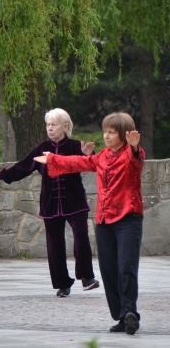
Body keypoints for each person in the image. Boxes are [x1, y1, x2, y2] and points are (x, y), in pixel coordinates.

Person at [35, 112, 145, 335]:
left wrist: (133, 148)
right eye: (105, 131)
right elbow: (79, 161)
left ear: (124, 134)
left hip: (128, 219)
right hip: (104, 221)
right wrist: (53, 159)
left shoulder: (132, 153)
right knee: (107, 270)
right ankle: (121, 317)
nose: (106, 136)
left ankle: (130, 311)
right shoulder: (102, 156)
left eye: (111, 132)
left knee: (126, 267)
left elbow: (136, 163)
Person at [0, 108, 99, 298]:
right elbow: (23, 167)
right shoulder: (41, 149)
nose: (50, 128)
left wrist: (88, 154)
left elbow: (92, 163)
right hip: (51, 202)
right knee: (54, 245)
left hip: (75, 201)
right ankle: (62, 284)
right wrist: (0, 175)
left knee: (81, 236)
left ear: (65, 126)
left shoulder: (75, 146)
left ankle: (87, 278)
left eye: (54, 124)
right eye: (48, 125)